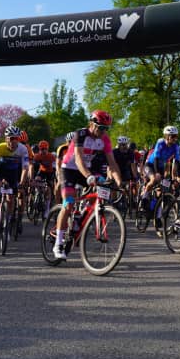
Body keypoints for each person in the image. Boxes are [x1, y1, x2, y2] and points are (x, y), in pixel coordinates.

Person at [53, 111, 123, 260]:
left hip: (86, 170)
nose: (103, 131)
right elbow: (78, 159)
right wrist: (89, 176)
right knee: (68, 203)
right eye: (101, 127)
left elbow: (112, 163)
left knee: (100, 190)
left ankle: (81, 217)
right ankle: (58, 243)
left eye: (106, 128)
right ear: (91, 123)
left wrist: (119, 182)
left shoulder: (105, 139)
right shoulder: (81, 134)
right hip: (69, 169)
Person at [0, 126, 28, 227]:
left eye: (16, 138)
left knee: (11, 198)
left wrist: (22, 182)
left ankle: (8, 220)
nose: (14, 141)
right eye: (11, 138)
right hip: (1, 170)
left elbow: (25, 168)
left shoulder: (23, 149)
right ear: (6, 139)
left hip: (13, 172)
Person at [141, 126, 180, 201]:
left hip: (160, 167)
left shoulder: (175, 146)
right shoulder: (160, 143)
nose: (175, 139)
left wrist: (177, 176)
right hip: (151, 165)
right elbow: (156, 158)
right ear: (167, 136)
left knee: (164, 186)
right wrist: (157, 173)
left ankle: (157, 203)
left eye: (176, 136)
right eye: (173, 136)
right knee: (153, 179)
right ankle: (145, 195)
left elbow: (177, 161)